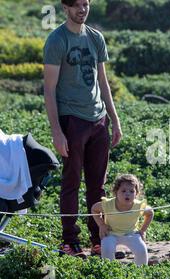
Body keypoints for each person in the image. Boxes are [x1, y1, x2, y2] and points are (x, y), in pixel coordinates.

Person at [43, 0, 123, 258]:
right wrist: (56, 130)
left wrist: (114, 119)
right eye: (77, 5)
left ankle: (98, 238)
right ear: (65, 8)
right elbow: (49, 89)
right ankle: (69, 241)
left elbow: (103, 81)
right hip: (72, 121)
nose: (83, 9)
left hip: (98, 119)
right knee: (71, 182)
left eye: (86, 4)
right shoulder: (57, 40)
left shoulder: (96, 37)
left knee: (97, 186)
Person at [91, 174, 154, 265]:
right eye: (123, 191)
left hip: (131, 233)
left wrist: (143, 230)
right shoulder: (108, 204)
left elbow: (150, 212)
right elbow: (94, 209)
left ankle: (140, 271)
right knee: (107, 250)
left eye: (131, 191)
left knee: (142, 251)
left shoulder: (138, 206)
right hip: (110, 233)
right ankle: (109, 271)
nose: (127, 194)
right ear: (116, 192)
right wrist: (101, 225)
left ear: (136, 193)